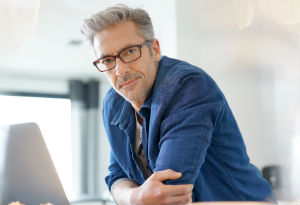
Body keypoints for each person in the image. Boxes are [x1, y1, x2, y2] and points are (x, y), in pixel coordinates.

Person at [80, 4, 275, 204]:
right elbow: (117, 175)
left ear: (154, 50)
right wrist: (133, 196)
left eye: (130, 52)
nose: (120, 70)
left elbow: (170, 191)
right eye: (107, 60)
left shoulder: (188, 86)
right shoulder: (113, 103)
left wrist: (133, 196)